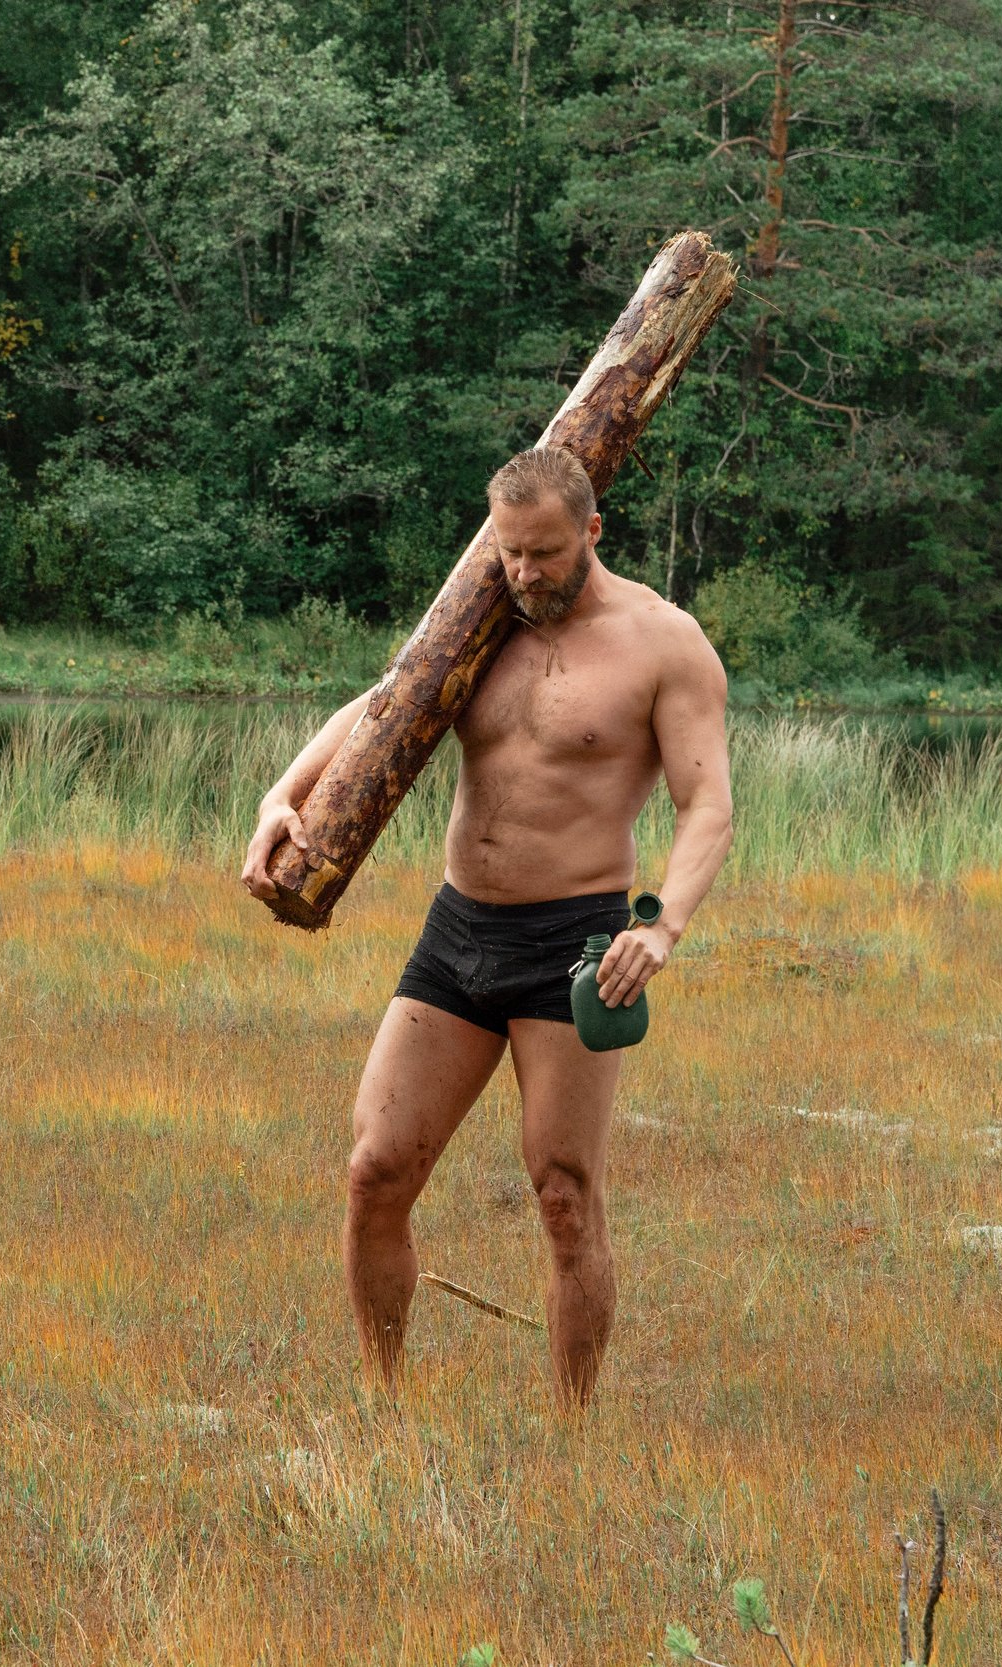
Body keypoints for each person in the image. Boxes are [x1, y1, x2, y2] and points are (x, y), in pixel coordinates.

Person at [240, 444, 734, 1407]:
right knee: (376, 1171)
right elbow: (383, 702)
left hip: (576, 943)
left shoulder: (664, 643)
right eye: (508, 553)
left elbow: (707, 804)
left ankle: (570, 1436)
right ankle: (386, 1408)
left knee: (563, 1195)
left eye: (544, 553)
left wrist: (662, 928)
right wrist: (280, 794)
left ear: (593, 531)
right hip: (459, 931)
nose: (524, 575)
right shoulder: (480, 620)